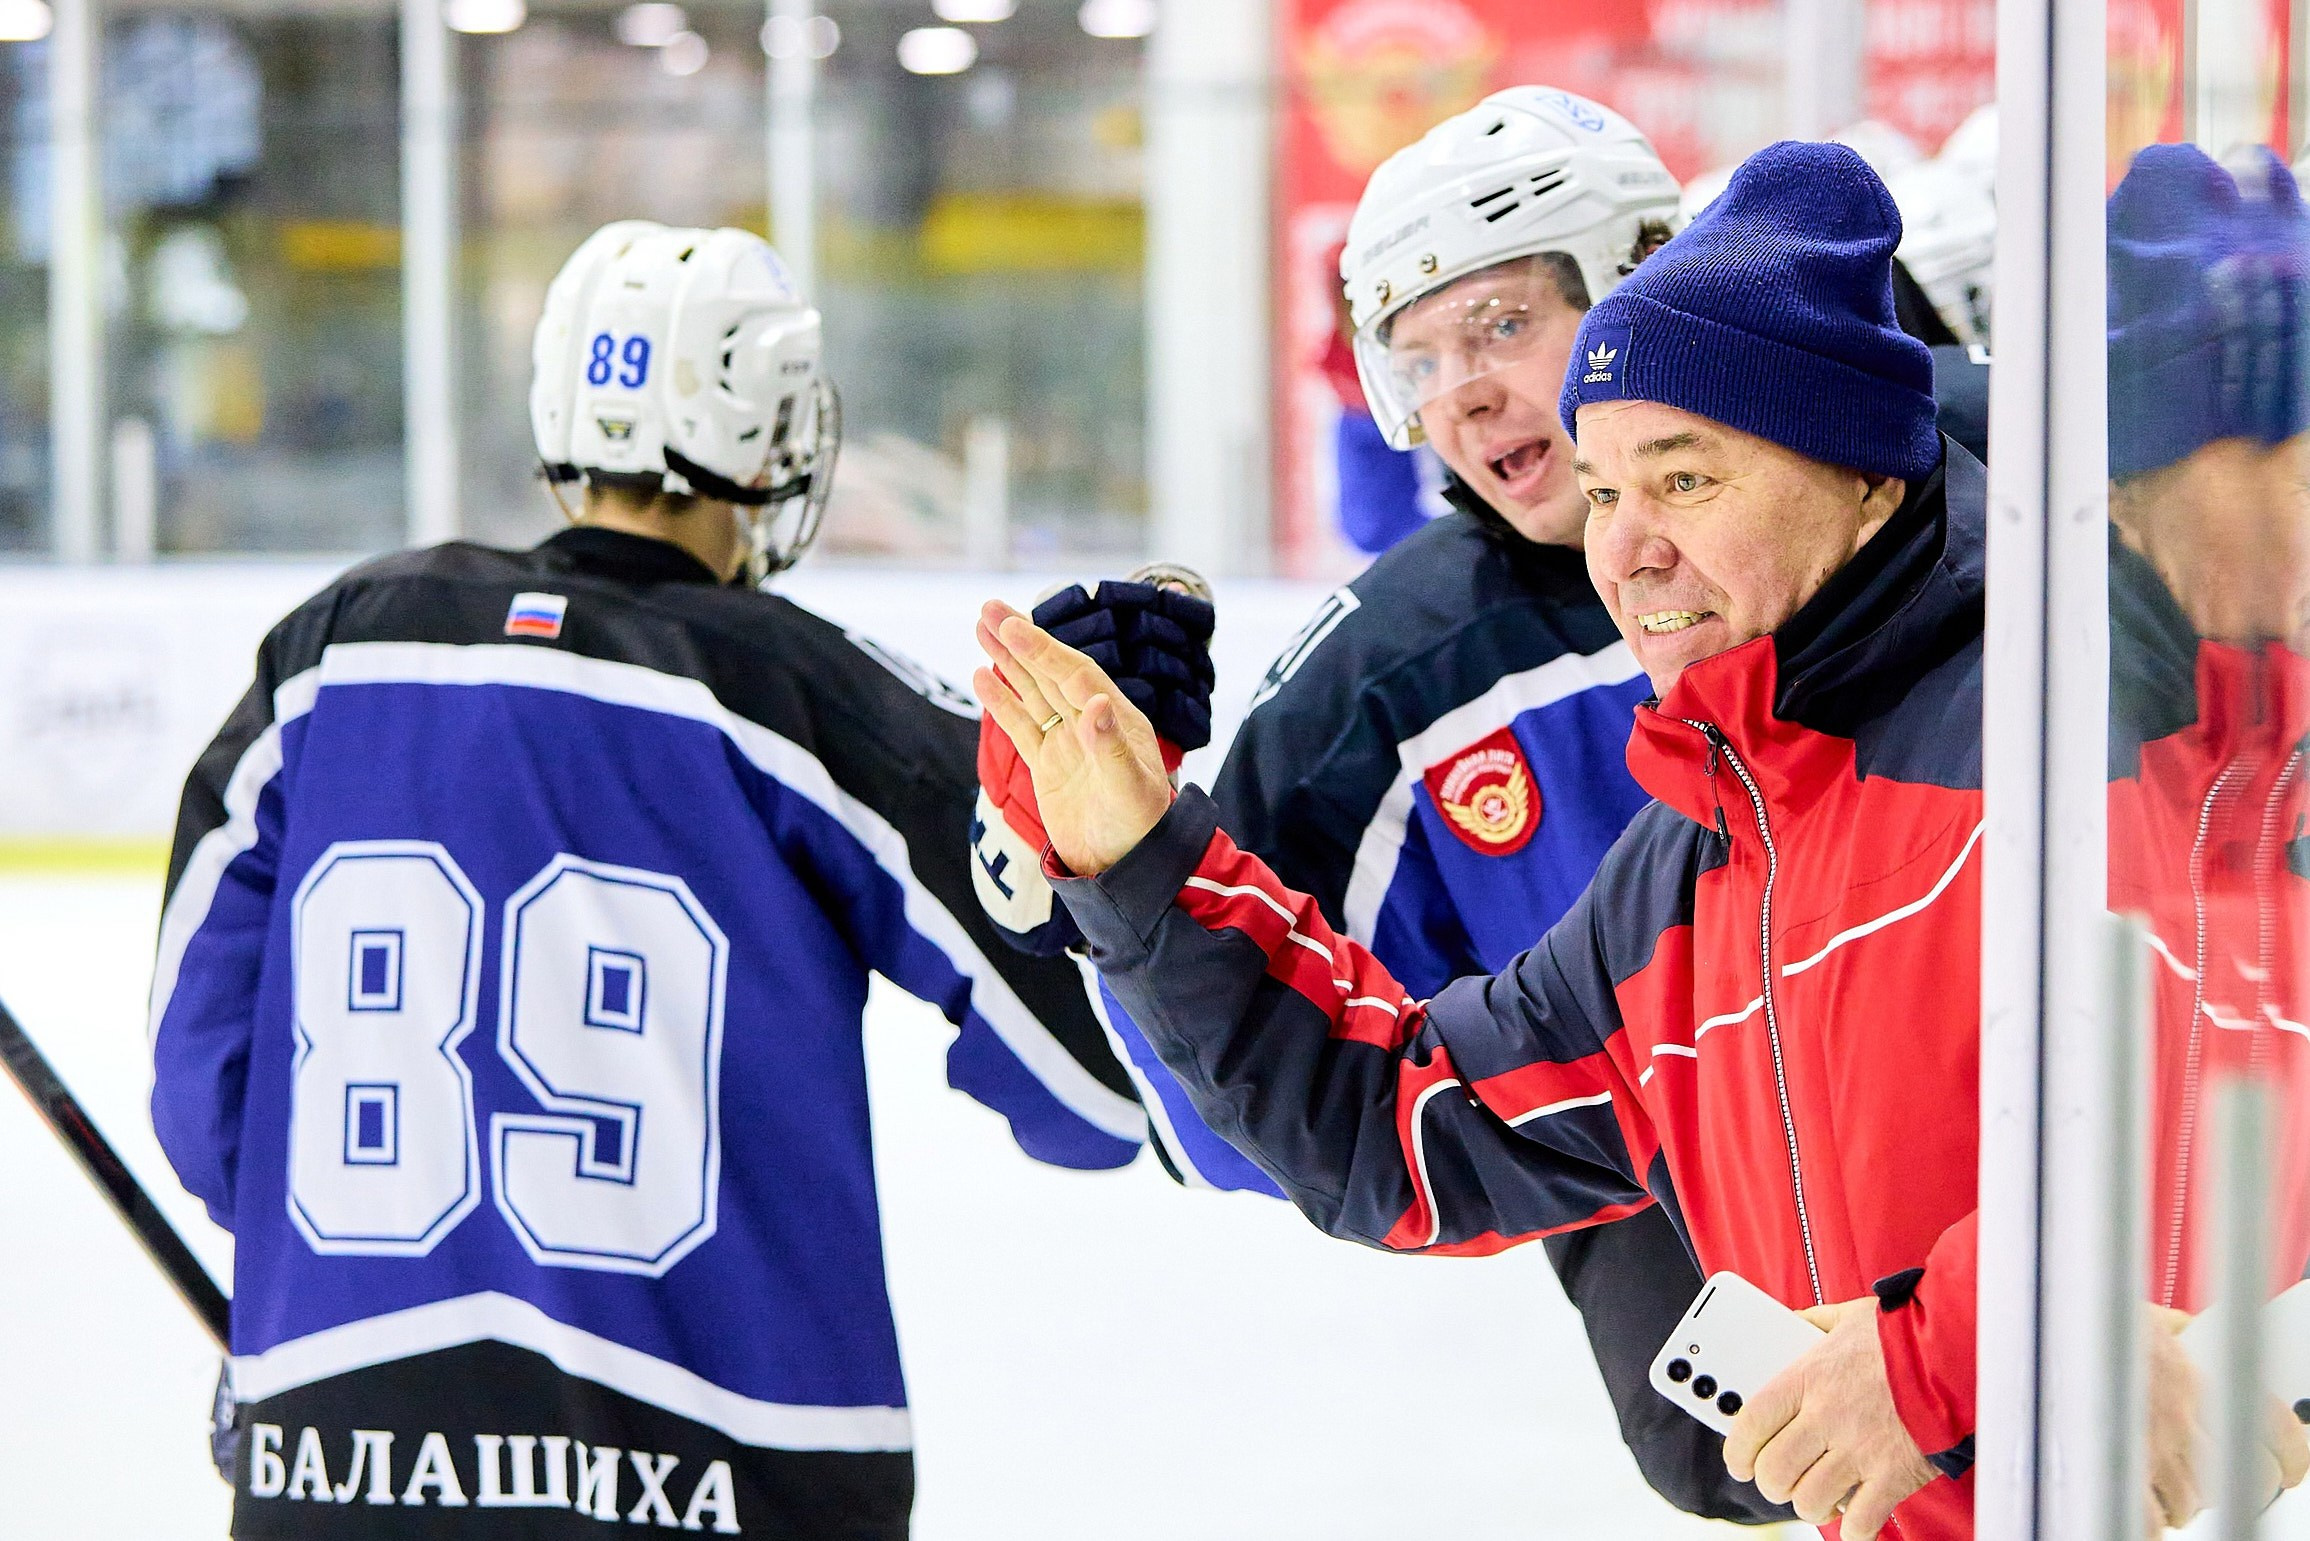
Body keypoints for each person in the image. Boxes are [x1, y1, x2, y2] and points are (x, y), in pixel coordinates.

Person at [972, 143, 2310, 1538]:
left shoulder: (2063, 712)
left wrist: (1945, 1359)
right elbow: (1401, 1121)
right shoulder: (1692, 866)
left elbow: (2216, 1061)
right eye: (1605, 491)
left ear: (1863, 478)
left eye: (1682, 479)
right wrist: (1134, 856)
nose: (1627, 548)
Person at [146, 220, 1156, 1538]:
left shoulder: (328, 654)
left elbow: (201, 1104)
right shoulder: (804, 697)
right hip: (737, 1474)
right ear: (771, 427)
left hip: (338, 1465)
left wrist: (336, 1335)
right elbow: (1094, 1090)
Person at [974, 87, 1787, 1523]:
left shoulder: (1879, 489)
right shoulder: (1389, 676)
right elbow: (1220, 1102)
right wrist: (1102, 841)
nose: (1458, 392)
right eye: (1414, 358)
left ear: (1644, 271)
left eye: (1498, 324)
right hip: (1725, 1278)